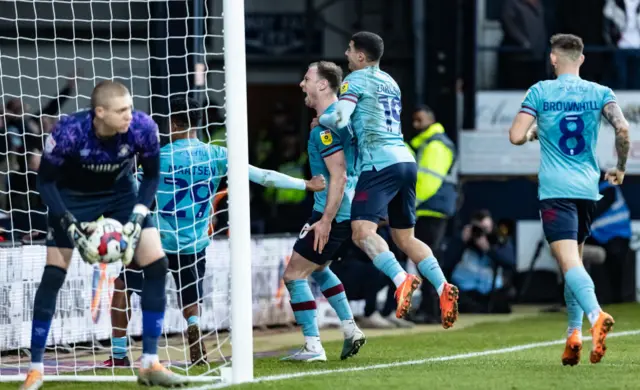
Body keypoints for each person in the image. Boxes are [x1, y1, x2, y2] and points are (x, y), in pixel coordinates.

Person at [104, 96, 326, 367]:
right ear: (197, 123)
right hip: (195, 241)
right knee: (190, 296)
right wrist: (305, 184)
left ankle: (117, 354)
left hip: (158, 240)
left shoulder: (158, 158)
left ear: (174, 123)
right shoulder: (218, 155)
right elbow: (263, 176)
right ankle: (194, 327)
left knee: (122, 286)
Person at [21, 81, 188, 390]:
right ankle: (35, 369)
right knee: (53, 275)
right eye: (121, 110)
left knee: (157, 265)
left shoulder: (142, 127)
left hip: (121, 194)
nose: (129, 115)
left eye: (129, 107)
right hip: (72, 197)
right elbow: (45, 183)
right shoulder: (68, 131)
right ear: (100, 112)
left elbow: (151, 175)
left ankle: (149, 362)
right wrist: (69, 223)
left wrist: (139, 213)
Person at [319, 31, 459, 328]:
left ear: (360, 55)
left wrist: (324, 119)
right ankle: (443, 286)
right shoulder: (391, 82)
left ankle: (401, 279)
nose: (345, 54)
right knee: (405, 238)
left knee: (361, 232)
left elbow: (342, 118)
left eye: (349, 49)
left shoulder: (355, 80)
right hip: (407, 161)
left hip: (379, 163)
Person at [508, 33, 630, 366]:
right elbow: (622, 130)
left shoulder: (541, 91)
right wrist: (619, 168)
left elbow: (516, 136)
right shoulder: (599, 92)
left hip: (556, 189)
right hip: (588, 189)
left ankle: (595, 316)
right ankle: (573, 335)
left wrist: (534, 132)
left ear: (552, 58)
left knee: (569, 263)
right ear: (582, 59)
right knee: (571, 260)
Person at [280, 61, 365, 362]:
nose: (302, 84)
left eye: (306, 79)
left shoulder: (325, 130)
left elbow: (338, 175)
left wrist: (325, 220)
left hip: (332, 211)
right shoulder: (338, 120)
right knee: (320, 269)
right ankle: (350, 329)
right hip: (347, 207)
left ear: (323, 85)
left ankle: (313, 346)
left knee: (293, 275)